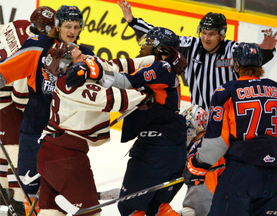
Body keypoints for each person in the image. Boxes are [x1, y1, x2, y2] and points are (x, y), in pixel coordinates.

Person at [65, 26, 188, 216]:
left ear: (159, 48)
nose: (142, 47)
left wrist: (91, 71)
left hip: (156, 151)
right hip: (171, 150)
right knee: (157, 208)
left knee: (130, 208)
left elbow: (125, 81)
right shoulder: (164, 69)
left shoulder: (161, 67)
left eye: (147, 43)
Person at [36, 41, 155, 216]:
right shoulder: (71, 84)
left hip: (51, 155)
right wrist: (144, 95)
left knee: (51, 213)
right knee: (90, 214)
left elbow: (117, 65)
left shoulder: (86, 66)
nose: (85, 57)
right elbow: (111, 100)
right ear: (68, 67)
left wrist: (154, 60)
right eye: (79, 57)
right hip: (66, 160)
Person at [0, 5, 97, 215]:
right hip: (35, 130)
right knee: (30, 193)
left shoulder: (87, 56)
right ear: (57, 26)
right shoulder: (38, 46)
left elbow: (106, 89)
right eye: (67, 26)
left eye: (76, 26)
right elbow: (6, 69)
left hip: (66, 141)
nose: (72, 31)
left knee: (53, 202)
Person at [117, 0, 277, 112]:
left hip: (228, 115)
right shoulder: (191, 46)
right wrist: (133, 21)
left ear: (222, 34)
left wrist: (266, 50)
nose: (206, 38)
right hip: (199, 115)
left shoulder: (234, 50)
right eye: (203, 33)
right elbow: (160, 36)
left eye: (211, 34)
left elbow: (254, 60)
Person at [185, 42, 277, 216]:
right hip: (275, 176)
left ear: (237, 64)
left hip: (242, 173)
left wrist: (197, 164)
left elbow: (217, 142)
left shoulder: (226, 91)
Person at [0, 6, 56, 216]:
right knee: (16, 149)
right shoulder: (36, 46)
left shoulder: (19, 26)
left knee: (8, 149)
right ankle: (18, 203)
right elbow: (20, 95)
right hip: (7, 101)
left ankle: (6, 191)